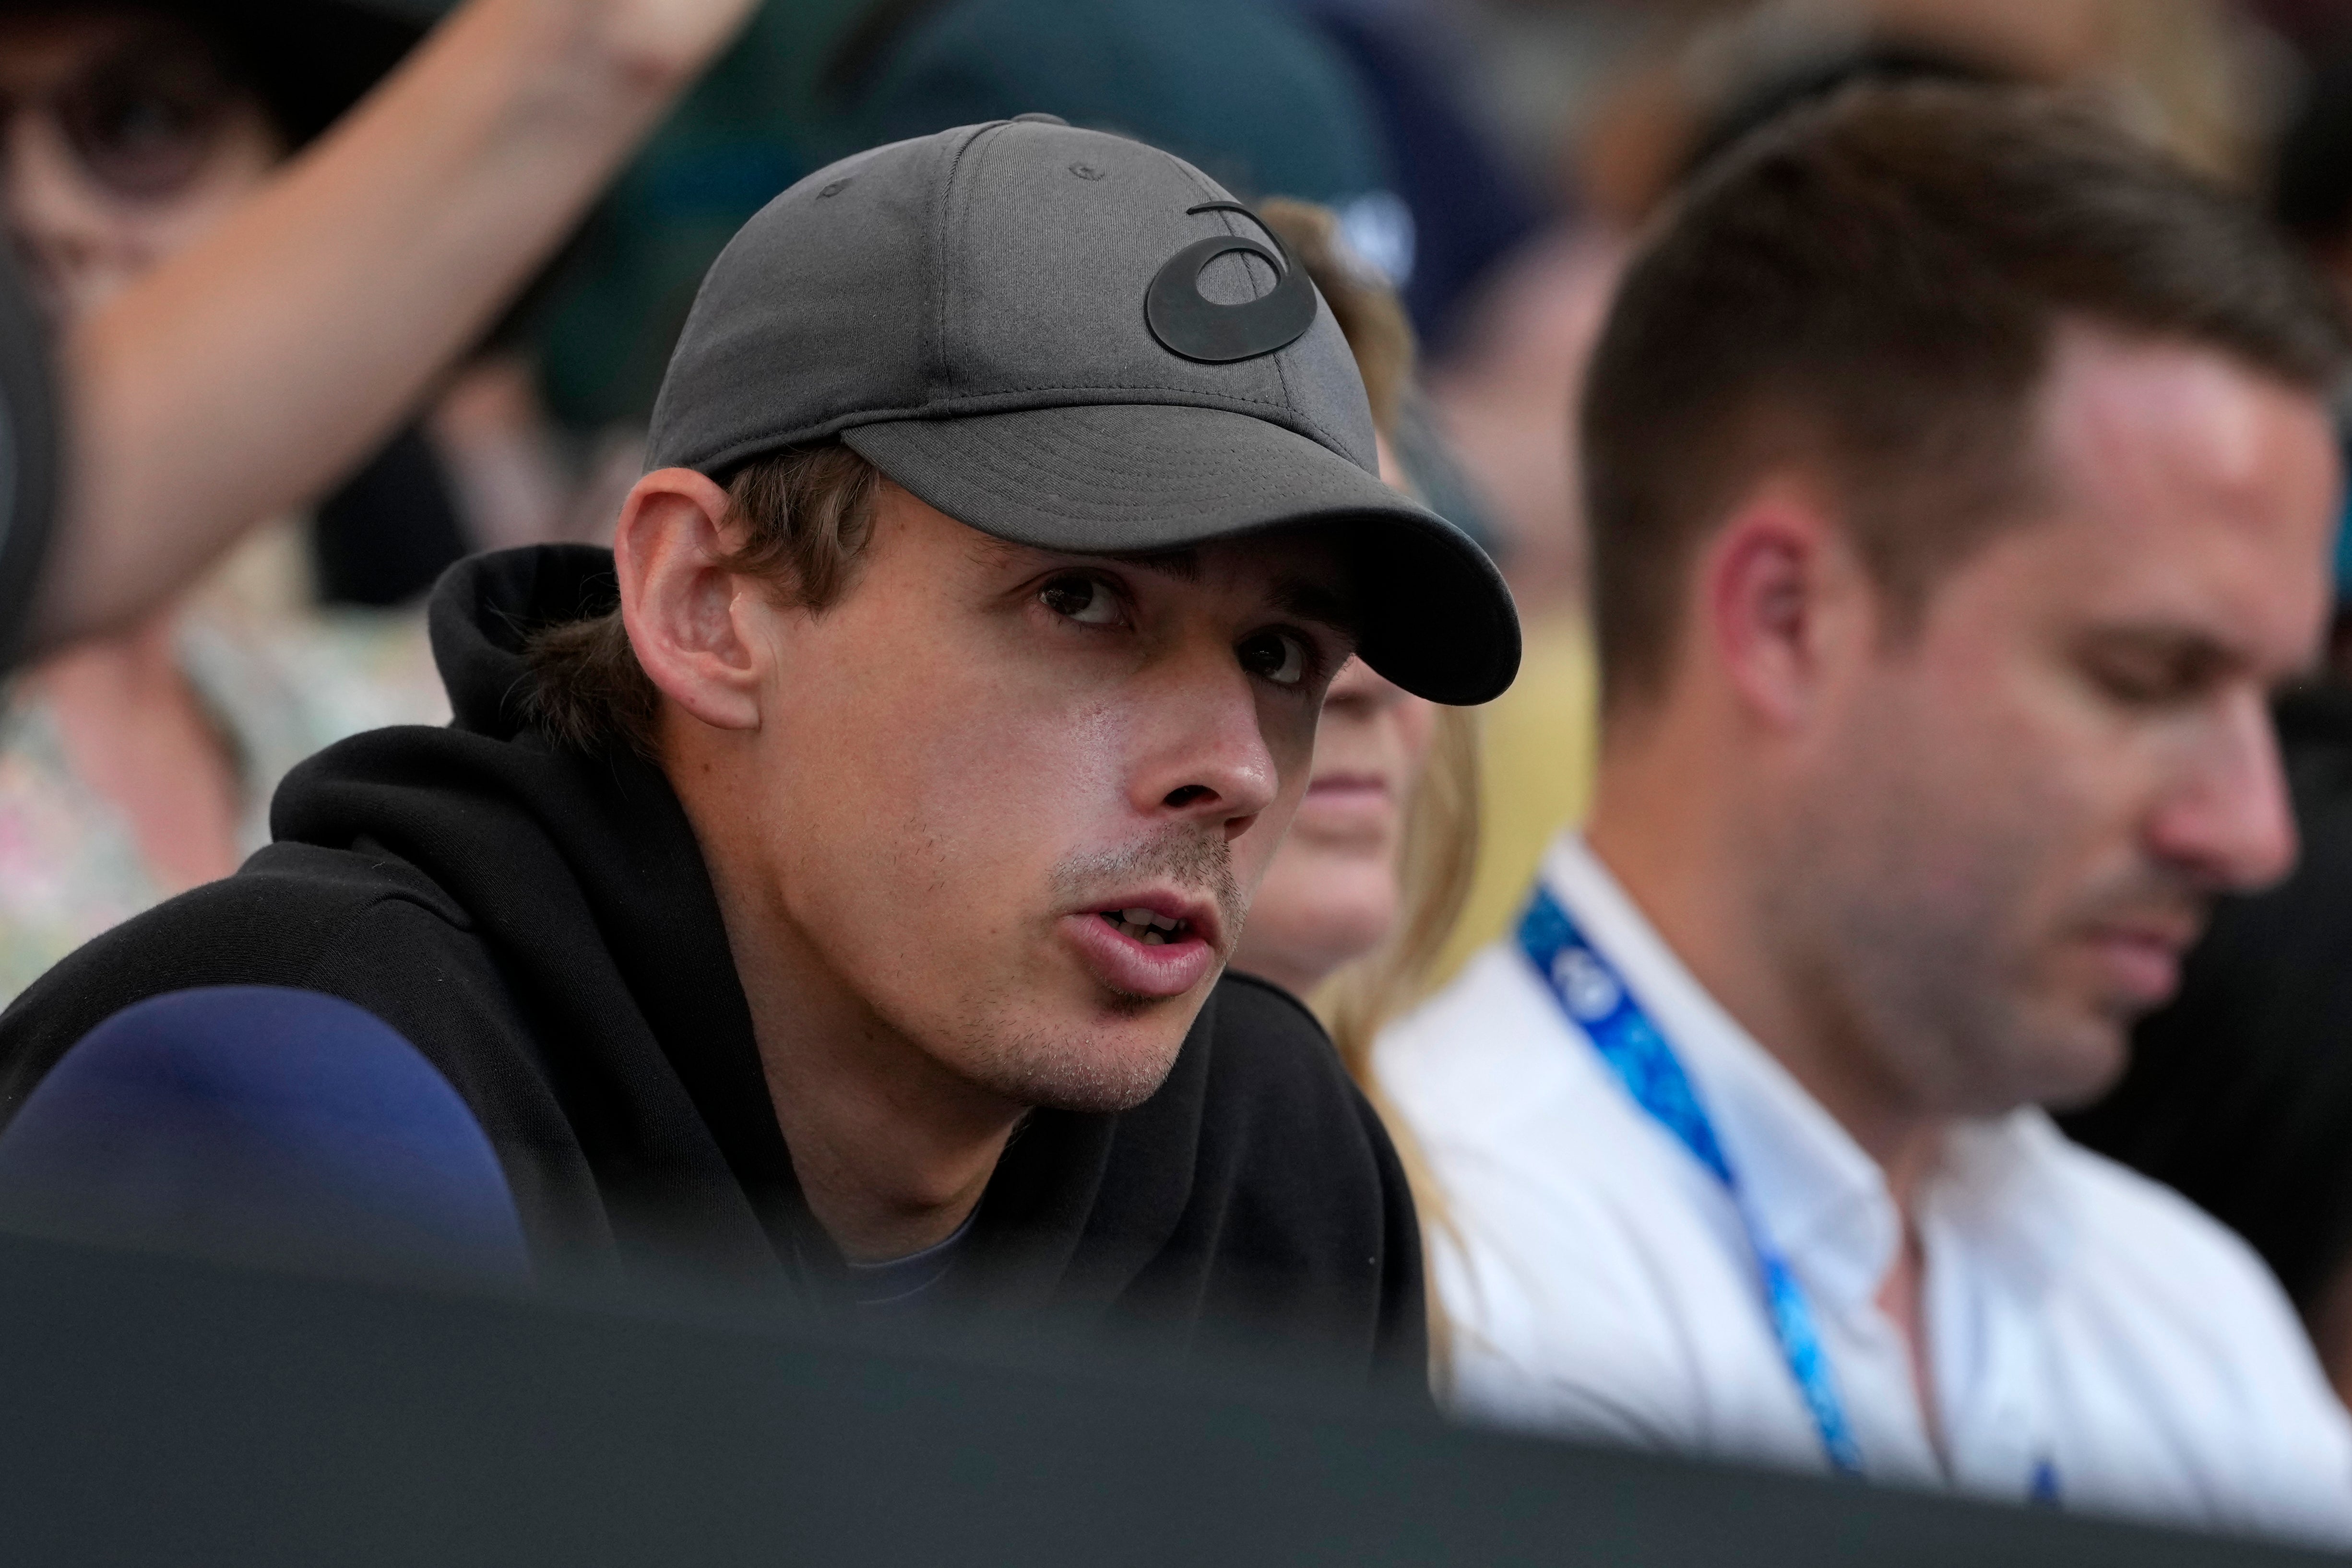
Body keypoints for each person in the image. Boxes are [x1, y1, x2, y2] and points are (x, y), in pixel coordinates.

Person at [0, 117, 1520, 1373]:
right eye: (1083, 602)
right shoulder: (306, 1105)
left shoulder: (1270, 1172)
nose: (1238, 772)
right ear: (707, 603)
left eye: (1280, 657)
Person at [1374, 83, 2352, 1540]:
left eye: (2270, 704)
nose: (2252, 832)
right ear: (1786, 618)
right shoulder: (1437, 1276)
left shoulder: (2180, 1313)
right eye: (2148, 677)